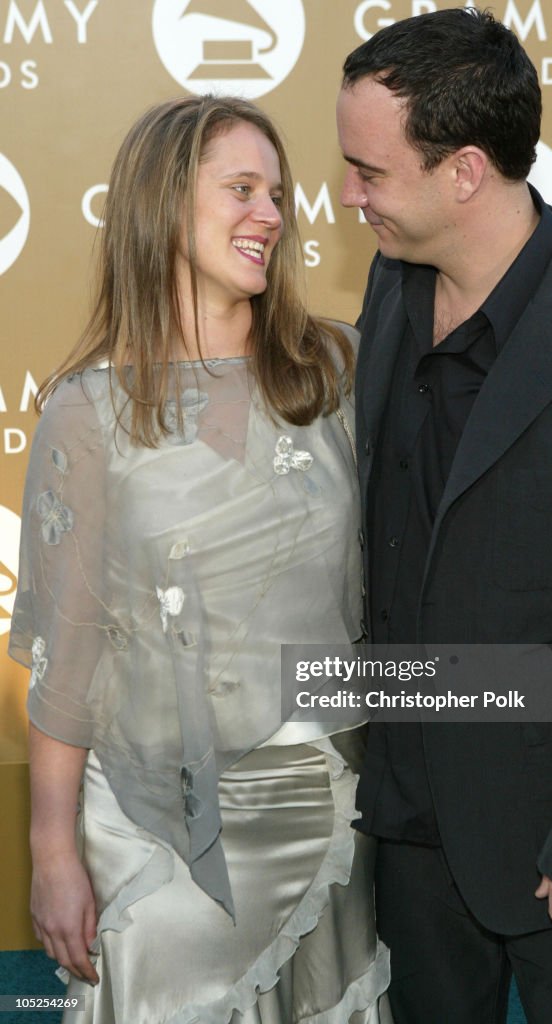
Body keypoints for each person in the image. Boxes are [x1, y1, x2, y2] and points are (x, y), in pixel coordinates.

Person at [336, 8, 552, 1024]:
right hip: (408, 817)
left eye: (370, 171)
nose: (349, 194)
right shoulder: (395, 282)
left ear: (464, 172)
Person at [10, 95, 391, 1024]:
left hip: (324, 803)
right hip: (150, 821)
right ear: (163, 206)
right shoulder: (87, 411)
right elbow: (68, 659)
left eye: (276, 193)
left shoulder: (339, 370)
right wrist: (51, 852)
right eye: (240, 189)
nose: (269, 213)